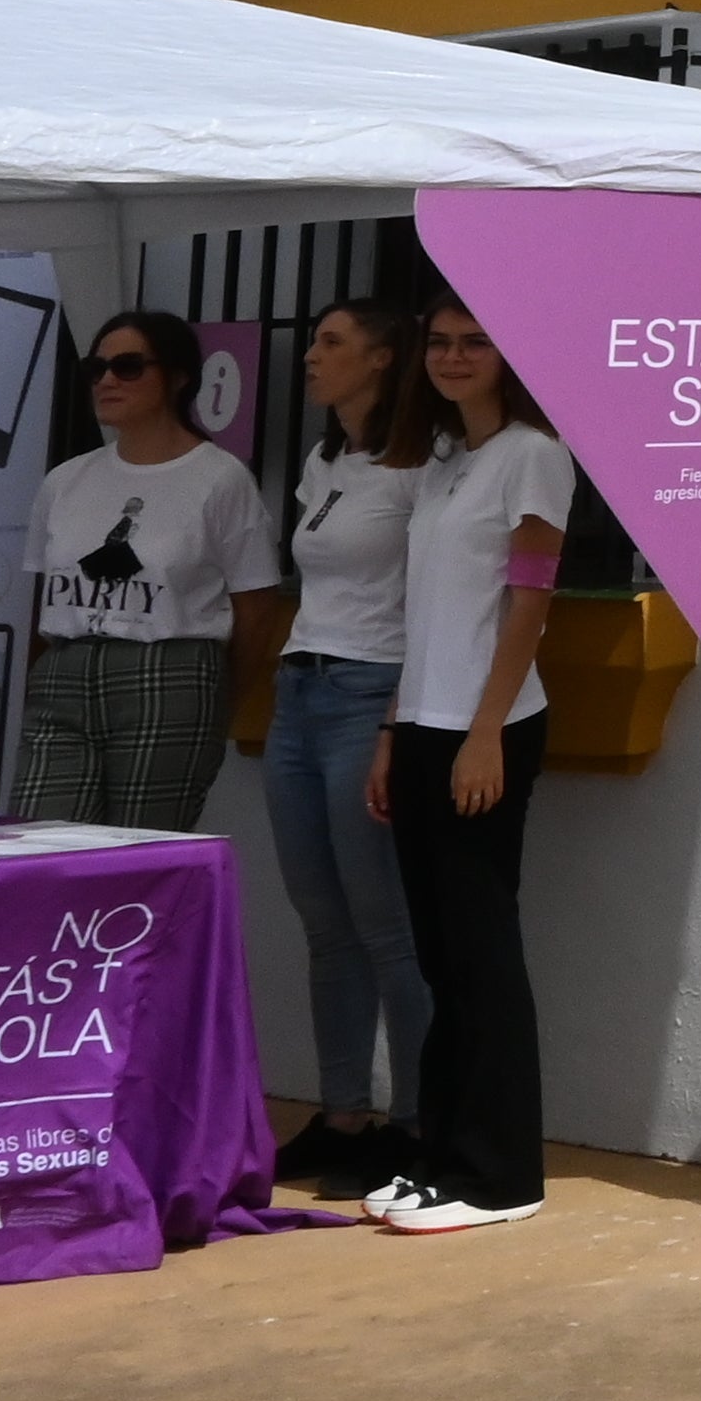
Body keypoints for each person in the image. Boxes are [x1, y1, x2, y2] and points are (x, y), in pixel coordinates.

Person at [352, 297, 572, 1240]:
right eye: (438, 342)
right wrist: (397, 729)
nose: (452, 356)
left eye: (474, 341)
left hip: (492, 727)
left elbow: (528, 604)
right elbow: (424, 613)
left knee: (482, 953)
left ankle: (500, 1171)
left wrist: (484, 732)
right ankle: (439, 1156)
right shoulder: (442, 461)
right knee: (439, 957)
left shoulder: (533, 453)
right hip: (427, 725)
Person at [263, 297, 433, 1194]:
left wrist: (392, 727)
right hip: (301, 687)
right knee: (323, 922)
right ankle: (342, 1113)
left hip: (369, 692)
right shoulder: (324, 461)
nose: (312, 356)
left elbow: (432, 608)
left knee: (385, 925)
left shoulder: (421, 466)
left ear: (379, 359)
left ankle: (413, 1121)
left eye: (331, 343)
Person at [16, 308, 291, 832]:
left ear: (178, 376)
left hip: (170, 668)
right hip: (67, 667)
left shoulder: (219, 477)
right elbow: (40, 596)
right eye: (96, 369)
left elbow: (257, 605)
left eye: (129, 366)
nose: (108, 381)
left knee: (139, 846)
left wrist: (215, 697)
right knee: (42, 838)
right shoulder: (65, 479)